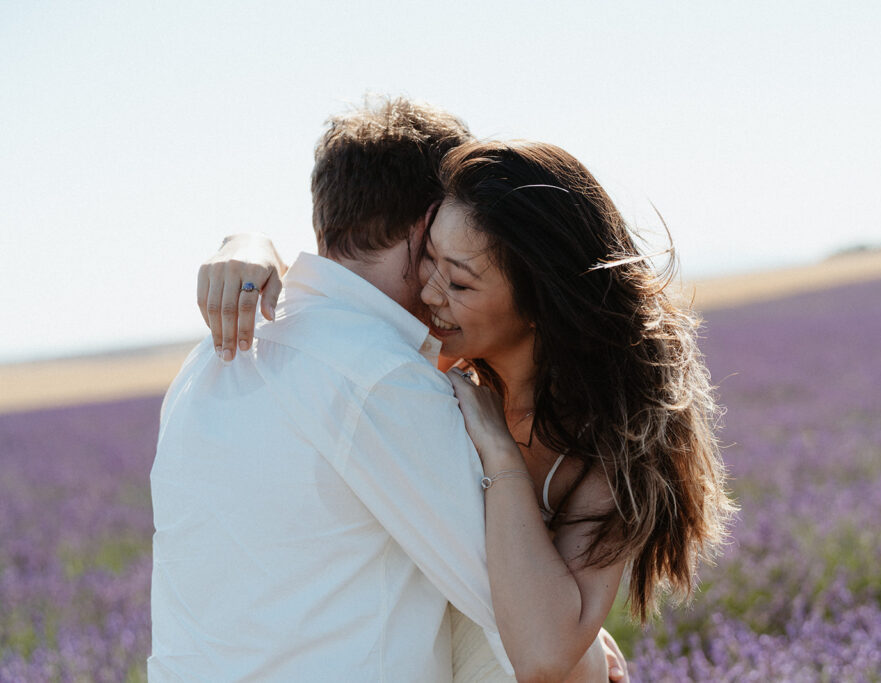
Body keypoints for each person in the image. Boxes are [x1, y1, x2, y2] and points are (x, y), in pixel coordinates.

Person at [205, 139, 736, 681]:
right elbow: (340, 291)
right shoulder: (415, 371)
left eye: (459, 282)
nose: (428, 293)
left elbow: (545, 654)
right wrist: (248, 243)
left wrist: (500, 454)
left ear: (540, 301)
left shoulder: (616, 441)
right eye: (428, 258)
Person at [151, 98, 623, 682]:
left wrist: (244, 237)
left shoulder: (210, 356)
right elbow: (537, 630)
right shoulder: (381, 377)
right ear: (432, 226)